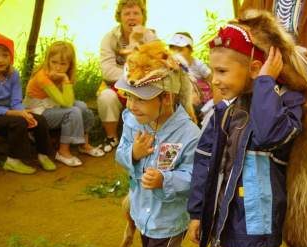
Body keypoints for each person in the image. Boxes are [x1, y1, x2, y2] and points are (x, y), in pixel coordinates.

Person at [187, 24, 305, 247]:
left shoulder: (287, 102)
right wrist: (198, 213)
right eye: (214, 70)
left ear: (255, 68)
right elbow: (205, 162)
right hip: (222, 220)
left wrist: (265, 82)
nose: (215, 79)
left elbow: (269, 136)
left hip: (255, 225)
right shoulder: (225, 111)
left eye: (223, 71)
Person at [115, 43, 201, 247]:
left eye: (140, 99)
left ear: (166, 97)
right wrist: (134, 155)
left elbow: (195, 175)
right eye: (129, 96)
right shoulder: (132, 121)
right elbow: (121, 152)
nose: (131, 105)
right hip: (143, 209)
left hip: (169, 215)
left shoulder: (188, 133)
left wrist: (166, 180)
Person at [24, 41, 104, 167]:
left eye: (63, 64)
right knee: (72, 112)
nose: (58, 67)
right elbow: (67, 103)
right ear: (48, 60)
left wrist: (66, 79)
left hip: (53, 105)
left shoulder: (62, 73)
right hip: (37, 112)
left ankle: (83, 144)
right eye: (54, 62)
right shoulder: (43, 76)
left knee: (82, 107)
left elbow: (66, 100)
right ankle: (63, 152)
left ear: (70, 65)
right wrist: (65, 80)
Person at [97, 0, 159, 153]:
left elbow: (157, 66)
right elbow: (107, 72)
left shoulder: (151, 37)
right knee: (106, 96)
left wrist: (133, 42)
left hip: (144, 87)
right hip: (117, 86)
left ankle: (147, 136)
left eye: (136, 13)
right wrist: (135, 76)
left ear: (143, 17)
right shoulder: (109, 38)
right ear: (120, 17)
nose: (132, 18)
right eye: (127, 14)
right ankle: (112, 137)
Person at [0, 30, 56, 174]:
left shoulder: (14, 74)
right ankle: (12, 161)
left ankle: (43, 155)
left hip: (10, 112)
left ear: (11, 57)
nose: (1, 60)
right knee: (18, 122)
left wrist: (25, 113)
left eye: (5, 55)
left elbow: (16, 101)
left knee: (38, 119)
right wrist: (19, 114)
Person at [168, 32, 213, 122]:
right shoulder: (170, 66)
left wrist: (211, 106)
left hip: (201, 102)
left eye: (180, 50)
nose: (175, 53)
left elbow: (215, 82)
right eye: (173, 50)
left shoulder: (199, 65)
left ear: (191, 51)